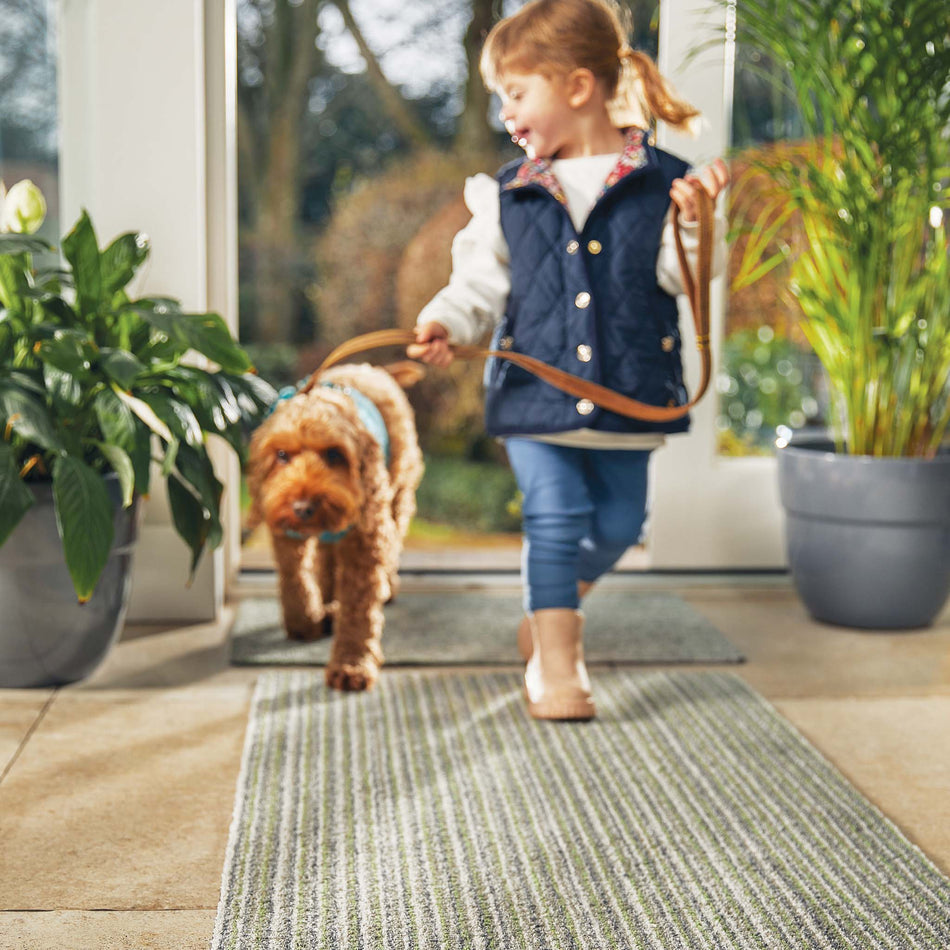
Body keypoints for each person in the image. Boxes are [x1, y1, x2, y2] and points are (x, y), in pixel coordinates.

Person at [408, 0, 729, 721]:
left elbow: (685, 279)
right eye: (499, 98)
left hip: (631, 393)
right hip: (534, 394)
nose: (506, 114)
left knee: (618, 524)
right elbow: (478, 285)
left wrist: (693, 224)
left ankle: (546, 610)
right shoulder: (508, 194)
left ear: (576, 87)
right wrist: (444, 320)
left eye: (516, 94)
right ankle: (557, 666)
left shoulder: (663, 181)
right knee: (554, 520)